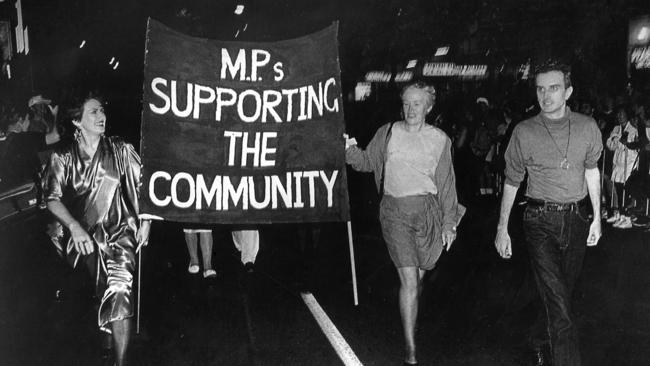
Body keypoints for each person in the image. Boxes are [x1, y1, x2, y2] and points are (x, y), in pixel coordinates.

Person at [345, 81, 464, 366]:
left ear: (429, 107)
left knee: (420, 276)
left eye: (417, 104)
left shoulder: (440, 139)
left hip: (428, 213)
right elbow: (366, 162)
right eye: (407, 103)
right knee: (409, 281)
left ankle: (411, 309)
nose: (411, 109)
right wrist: (348, 148)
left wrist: (449, 224)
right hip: (394, 213)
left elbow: (447, 185)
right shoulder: (387, 132)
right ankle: (410, 351)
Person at [494, 59, 602, 366]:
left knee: (561, 296)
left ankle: (539, 337)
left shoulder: (587, 127)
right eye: (540, 89)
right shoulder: (524, 131)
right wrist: (502, 229)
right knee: (561, 307)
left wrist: (597, 217)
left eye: (554, 88)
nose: (546, 95)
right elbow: (512, 181)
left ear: (568, 91)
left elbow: (592, 172)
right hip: (538, 221)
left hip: (577, 219)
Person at [41, 95, 151, 366]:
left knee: (120, 288)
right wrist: (75, 227)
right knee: (103, 292)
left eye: (102, 109)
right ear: (78, 121)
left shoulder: (120, 149)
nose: (101, 115)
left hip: (120, 232)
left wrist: (146, 220)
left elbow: (144, 184)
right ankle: (108, 343)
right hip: (84, 237)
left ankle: (121, 362)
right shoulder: (63, 156)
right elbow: (51, 198)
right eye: (93, 112)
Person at [605, 105, 638, 229]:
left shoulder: (634, 129)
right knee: (618, 189)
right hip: (618, 163)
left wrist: (626, 143)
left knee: (627, 191)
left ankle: (627, 217)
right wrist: (615, 138)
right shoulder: (616, 128)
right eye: (618, 114)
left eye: (622, 114)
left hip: (628, 164)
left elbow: (634, 147)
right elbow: (610, 146)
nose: (619, 116)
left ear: (627, 115)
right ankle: (619, 214)